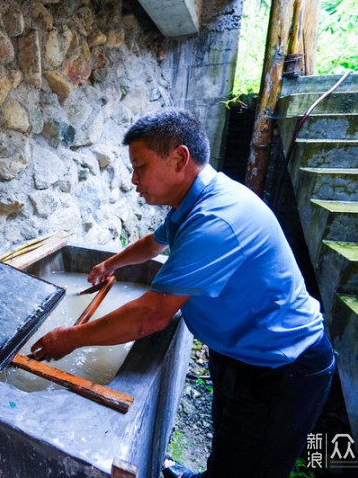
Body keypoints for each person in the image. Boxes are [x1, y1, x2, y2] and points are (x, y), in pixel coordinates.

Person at [30, 108, 335, 478]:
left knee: (252, 468)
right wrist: (111, 265)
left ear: (178, 158)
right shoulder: (192, 202)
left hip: (282, 368)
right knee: (229, 446)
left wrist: (71, 337)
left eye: (140, 167)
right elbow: (154, 243)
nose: (133, 179)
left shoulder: (216, 220)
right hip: (241, 354)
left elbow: (151, 316)